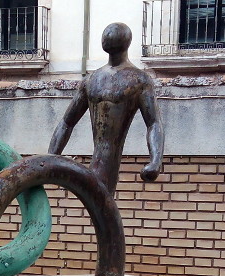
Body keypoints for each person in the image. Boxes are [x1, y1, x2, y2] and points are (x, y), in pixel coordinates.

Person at [48, 22, 164, 197]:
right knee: (99, 208)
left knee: (102, 208)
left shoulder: (139, 80)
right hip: (98, 161)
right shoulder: (91, 80)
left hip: (110, 162)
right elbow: (67, 122)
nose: (108, 37)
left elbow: (154, 123)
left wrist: (155, 161)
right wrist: (52, 156)